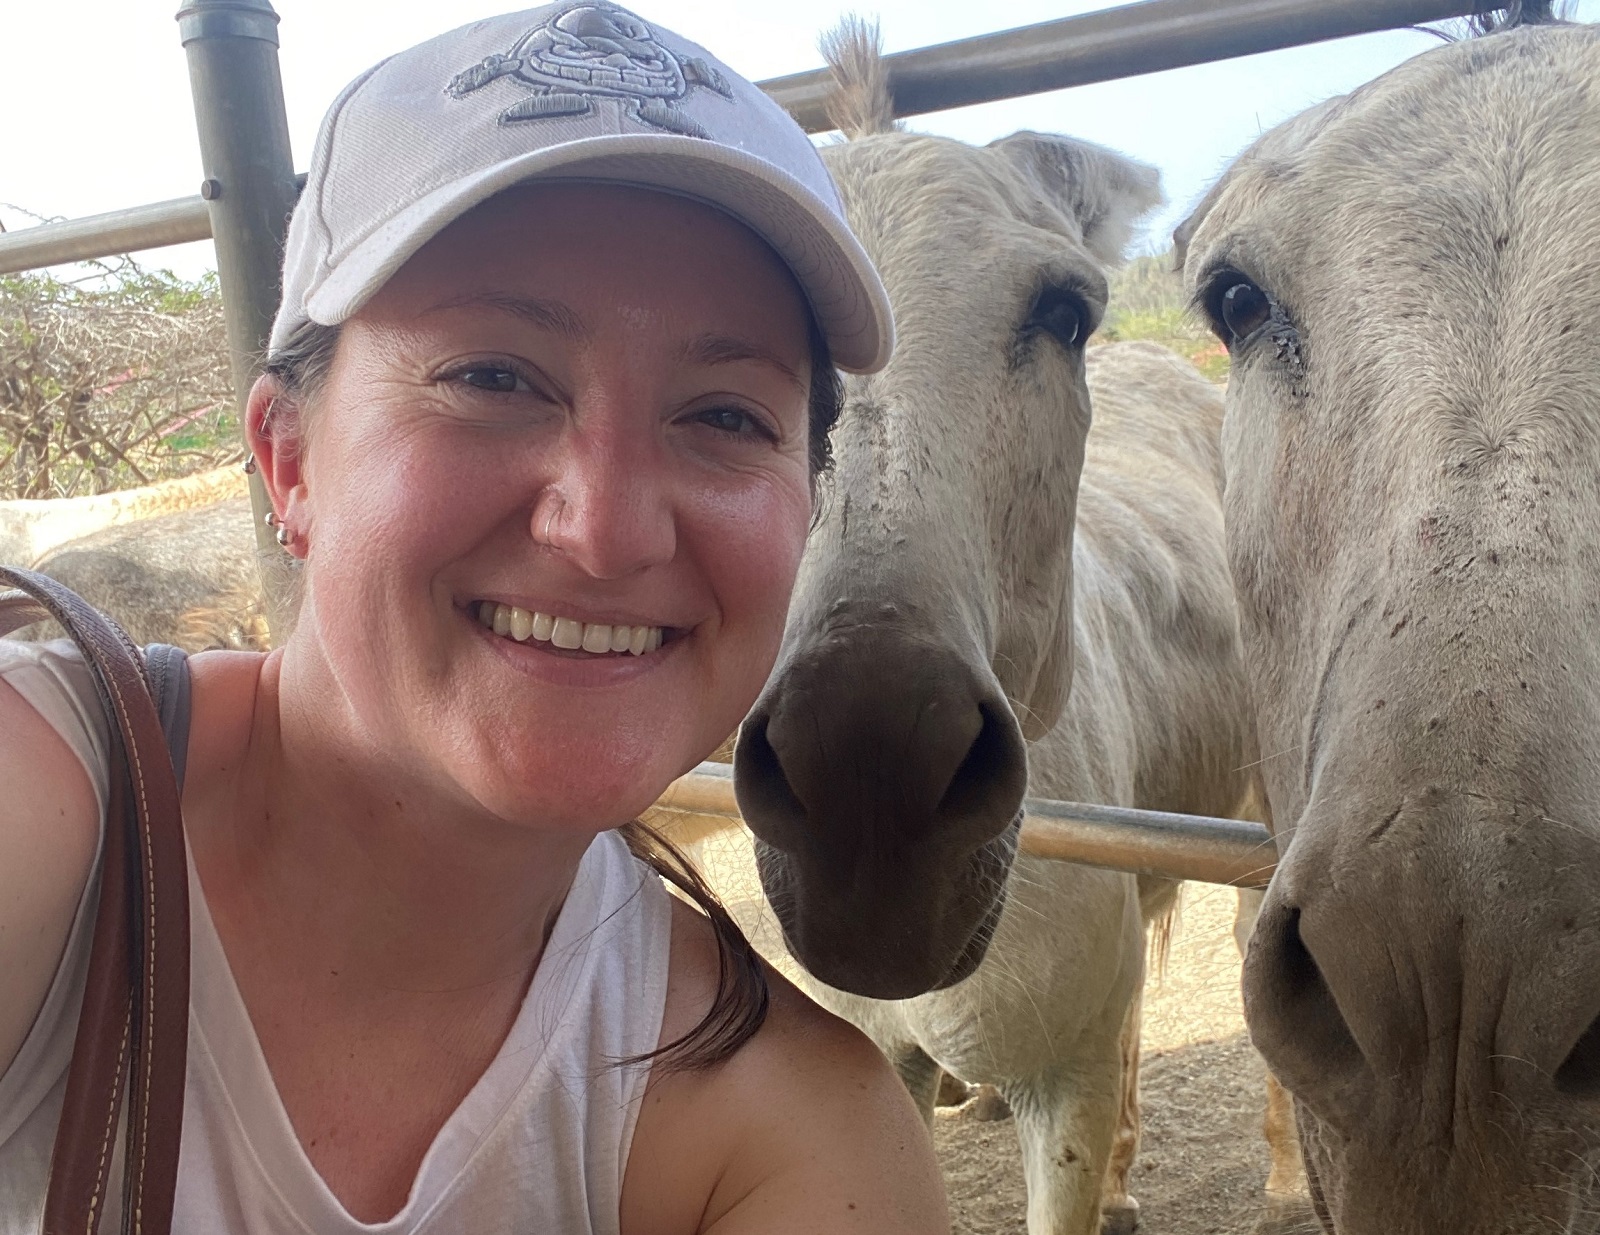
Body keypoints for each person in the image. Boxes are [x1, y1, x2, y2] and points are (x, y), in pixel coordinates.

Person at [0, 4, 947, 1231]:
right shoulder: (45, 806)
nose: (607, 531)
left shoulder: (797, 1134)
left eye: (724, 415)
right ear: (287, 461)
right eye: (492, 377)